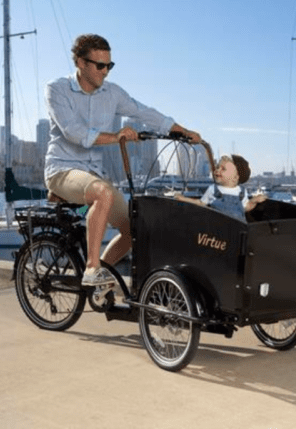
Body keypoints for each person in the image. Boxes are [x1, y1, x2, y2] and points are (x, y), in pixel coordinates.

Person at [44, 34, 201, 287]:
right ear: (81, 63)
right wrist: (116, 137)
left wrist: (181, 131)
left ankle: (100, 274)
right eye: (100, 65)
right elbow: (74, 132)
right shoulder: (57, 89)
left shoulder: (112, 93)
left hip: (93, 175)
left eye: (109, 65)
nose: (105, 71)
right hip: (62, 169)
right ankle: (91, 269)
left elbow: (143, 112)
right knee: (103, 193)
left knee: (134, 230)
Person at [175, 154, 266, 221]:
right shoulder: (212, 189)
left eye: (223, 169)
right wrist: (183, 199)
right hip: (218, 229)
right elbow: (201, 203)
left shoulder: (241, 191)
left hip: (237, 229)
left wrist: (254, 200)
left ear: (235, 177)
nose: (217, 170)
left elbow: (245, 207)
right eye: (218, 167)